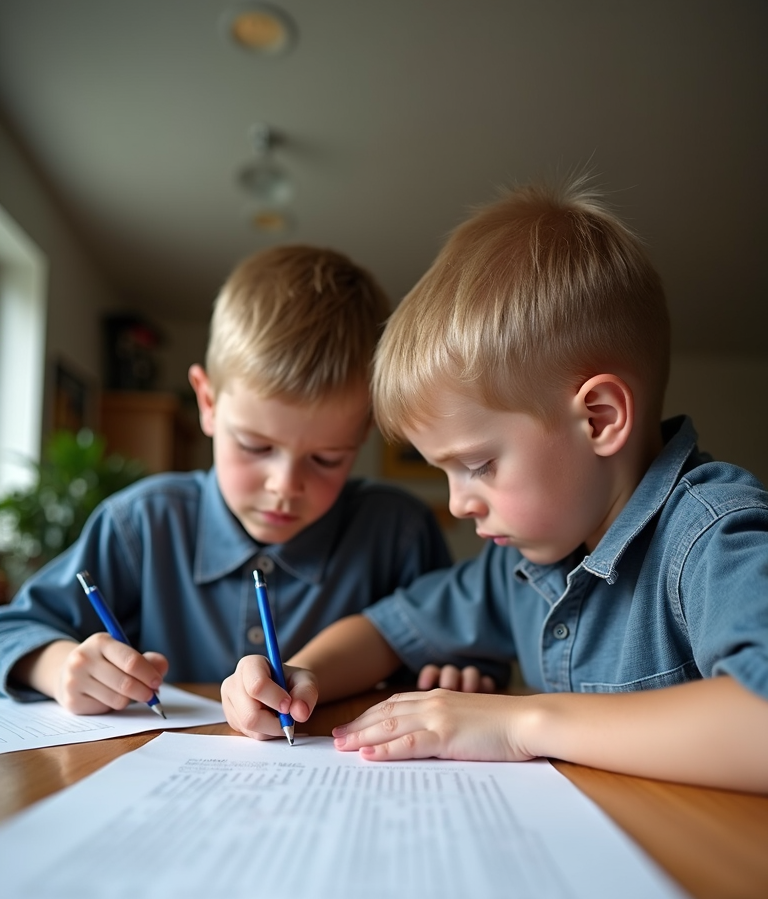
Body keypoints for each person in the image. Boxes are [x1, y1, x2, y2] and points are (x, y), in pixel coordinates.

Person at [221, 180, 768, 793]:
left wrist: (520, 723)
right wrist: (296, 674)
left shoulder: (714, 535)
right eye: (444, 472)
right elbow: (383, 631)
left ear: (600, 419)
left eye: (478, 465)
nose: (457, 502)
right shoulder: (520, 565)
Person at [0, 245, 454, 713]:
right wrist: (58, 667)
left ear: (364, 432)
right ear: (208, 402)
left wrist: (458, 668)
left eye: (326, 459)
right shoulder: (141, 524)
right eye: (256, 447)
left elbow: (466, 641)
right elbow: (10, 630)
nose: (284, 485)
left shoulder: (399, 532)